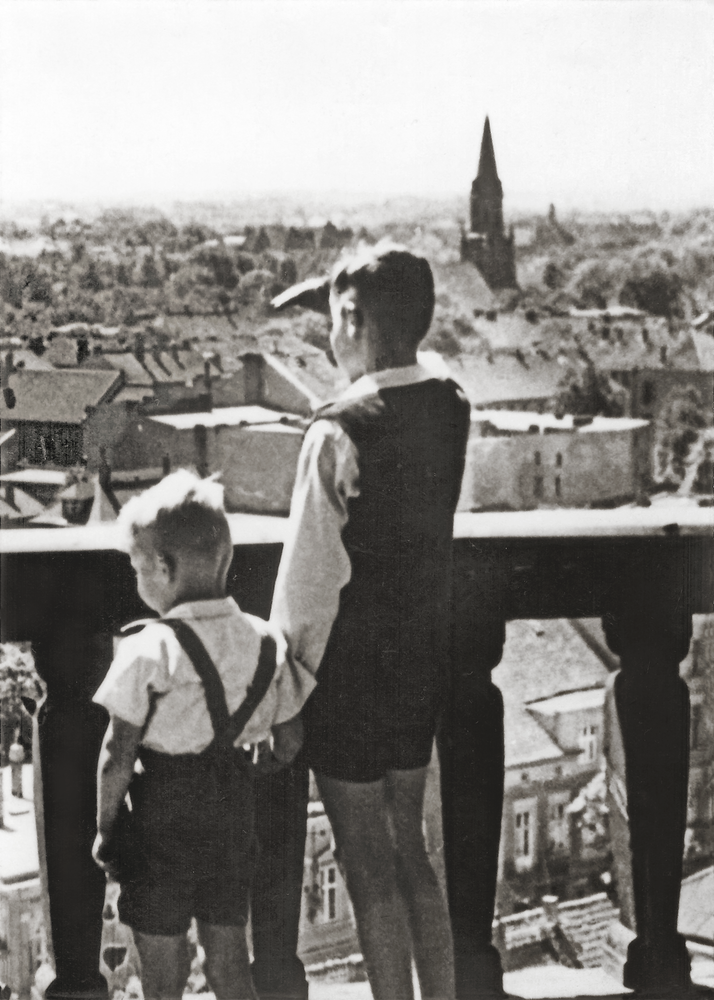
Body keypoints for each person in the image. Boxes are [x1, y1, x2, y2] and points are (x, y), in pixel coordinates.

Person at [271, 243, 471, 1000]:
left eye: (332, 321)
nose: (328, 338)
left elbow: (309, 577)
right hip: (419, 661)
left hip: (350, 673)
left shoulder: (337, 430)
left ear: (352, 320)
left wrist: (285, 696)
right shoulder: (452, 405)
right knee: (411, 848)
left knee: (365, 862)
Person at [91, 470, 313, 1000]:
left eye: (138, 568)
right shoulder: (263, 641)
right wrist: (252, 766)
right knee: (230, 961)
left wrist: (105, 827)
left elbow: (116, 752)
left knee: (163, 973)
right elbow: (290, 739)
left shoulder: (150, 650)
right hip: (232, 812)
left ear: (163, 569)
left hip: (159, 821)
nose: (138, 581)